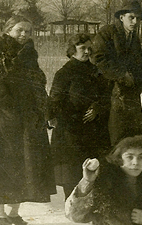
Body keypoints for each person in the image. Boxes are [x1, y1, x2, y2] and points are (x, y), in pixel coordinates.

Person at [0, 15, 56, 225]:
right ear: (8, 30)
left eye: (28, 31)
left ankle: (14, 212)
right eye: (19, 30)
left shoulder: (30, 56)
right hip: (2, 118)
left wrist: (45, 111)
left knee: (24, 164)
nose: (24, 34)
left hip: (27, 121)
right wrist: (13, 110)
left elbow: (38, 86)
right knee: (1, 164)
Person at [47, 33, 112, 199]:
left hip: (94, 129)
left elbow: (106, 96)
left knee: (94, 169)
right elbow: (55, 99)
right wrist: (53, 117)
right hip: (71, 130)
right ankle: (72, 203)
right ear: (72, 50)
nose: (87, 52)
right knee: (71, 171)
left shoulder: (97, 72)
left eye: (90, 48)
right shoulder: (64, 73)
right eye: (82, 48)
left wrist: (98, 108)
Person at [90, 0, 142, 145]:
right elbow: (97, 58)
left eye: (138, 18)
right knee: (113, 136)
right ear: (121, 17)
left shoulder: (134, 37)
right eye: (131, 17)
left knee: (132, 137)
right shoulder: (107, 33)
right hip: (109, 91)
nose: (135, 22)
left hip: (129, 93)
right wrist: (121, 74)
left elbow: (138, 63)